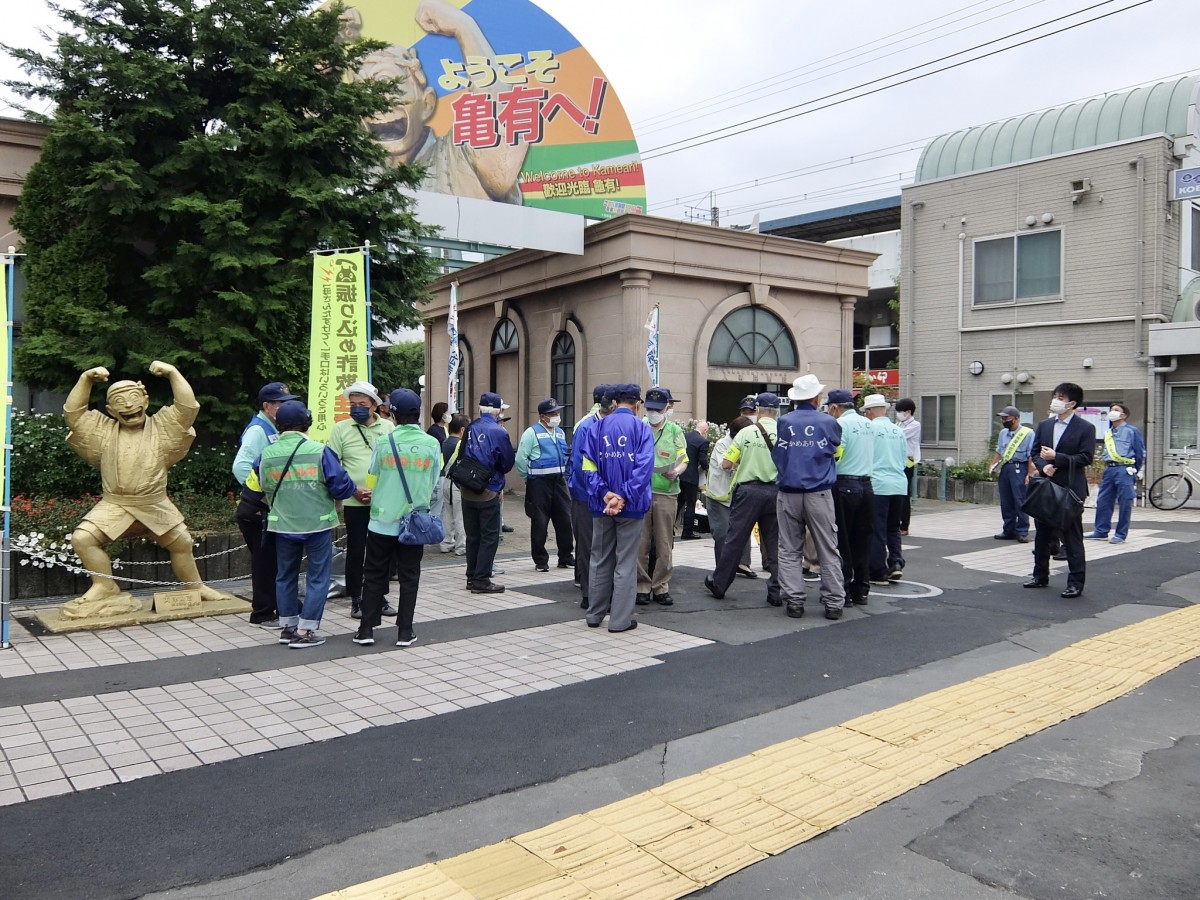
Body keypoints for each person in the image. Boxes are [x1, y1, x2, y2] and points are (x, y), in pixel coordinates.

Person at [59, 362, 230, 620]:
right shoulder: (103, 431)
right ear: (110, 410)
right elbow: (74, 415)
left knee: (182, 543)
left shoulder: (162, 427)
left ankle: (196, 587)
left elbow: (186, 409)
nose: (128, 405)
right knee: (83, 539)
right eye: (120, 401)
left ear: (145, 401)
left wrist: (172, 372)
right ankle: (105, 585)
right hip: (115, 503)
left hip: (154, 503)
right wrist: (85, 379)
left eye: (133, 398)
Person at [341, 0, 529, 203]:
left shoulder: (452, 159)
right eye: (363, 90)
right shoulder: (353, 169)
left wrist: (464, 27)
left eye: (388, 83)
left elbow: (497, 149)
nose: (376, 102)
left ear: (427, 104)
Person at [247, 400, 365, 647]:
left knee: (285, 576)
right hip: (317, 524)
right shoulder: (319, 451)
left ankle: (288, 627)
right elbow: (340, 486)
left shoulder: (265, 455)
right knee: (318, 578)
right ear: (307, 424)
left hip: (282, 525)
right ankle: (305, 631)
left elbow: (256, 486)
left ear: (278, 425)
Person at [353, 389, 442, 648]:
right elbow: (434, 479)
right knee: (409, 577)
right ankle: (405, 631)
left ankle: (366, 629)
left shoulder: (384, 442)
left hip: (382, 520)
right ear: (418, 414)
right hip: (415, 523)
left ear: (392, 413)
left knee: (374, 575)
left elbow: (372, 475)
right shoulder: (432, 444)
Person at [581, 384, 654, 633]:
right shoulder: (642, 429)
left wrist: (604, 494)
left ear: (614, 403)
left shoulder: (597, 427)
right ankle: (620, 621)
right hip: (631, 506)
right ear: (636, 404)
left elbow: (587, 467)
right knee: (625, 562)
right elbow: (643, 469)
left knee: (599, 559)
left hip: (600, 505)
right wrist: (622, 496)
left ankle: (594, 614)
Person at [772, 374, 845, 620]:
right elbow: (834, 450)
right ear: (816, 398)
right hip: (819, 492)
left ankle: (794, 600)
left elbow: (778, 455)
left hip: (789, 491)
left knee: (789, 548)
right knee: (827, 547)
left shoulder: (784, 421)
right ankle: (834, 602)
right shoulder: (828, 422)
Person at [705, 392, 782, 606]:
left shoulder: (746, 432)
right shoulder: (784, 433)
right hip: (776, 492)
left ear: (758, 410)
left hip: (748, 492)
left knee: (735, 538)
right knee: (774, 542)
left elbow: (727, 463)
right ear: (777, 411)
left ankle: (719, 583)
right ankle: (777, 590)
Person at [326, 381, 394, 619]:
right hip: (354, 502)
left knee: (382, 550)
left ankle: (380, 597)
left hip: (382, 501)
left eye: (362, 404)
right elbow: (333, 466)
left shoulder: (388, 428)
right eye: (352, 404)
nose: (356, 408)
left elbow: (394, 464)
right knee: (356, 551)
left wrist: (382, 492)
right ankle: (356, 599)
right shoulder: (341, 429)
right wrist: (353, 490)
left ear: (374, 405)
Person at [232, 381, 298, 627]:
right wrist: (259, 492)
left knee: (271, 557)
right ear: (267, 406)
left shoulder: (271, 427)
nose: (286, 407)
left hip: (263, 508)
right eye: (282, 403)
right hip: (256, 508)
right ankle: (262, 611)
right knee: (263, 560)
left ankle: (280, 605)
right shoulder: (258, 430)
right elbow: (240, 466)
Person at [1024, 382, 1095, 599]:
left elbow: (1086, 457)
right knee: (1043, 535)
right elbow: (1035, 452)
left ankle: (1075, 582)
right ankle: (1040, 575)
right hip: (1046, 486)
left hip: (1070, 489)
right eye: (1055, 396)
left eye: (1060, 397)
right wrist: (1042, 465)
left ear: (1072, 403)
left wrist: (1058, 458)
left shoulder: (1085, 428)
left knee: (1072, 537)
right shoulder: (1045, 425)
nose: (1056, 400)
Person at [457, 392, 516, 593]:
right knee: (489, 536)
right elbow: (507, 462)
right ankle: (482, 579)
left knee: (472, 536)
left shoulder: (471, 427)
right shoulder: (498, 432)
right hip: (489, 488)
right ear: (498, 410)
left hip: (467, 487)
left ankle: (471, 577)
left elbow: (462, 453)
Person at [636, 386, 687, 606]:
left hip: (666, 492)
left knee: (664, 543)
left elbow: (683, 458)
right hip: (641, 492)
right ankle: (642, 586)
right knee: (641, 543)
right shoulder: (639, 427)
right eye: (650, 409)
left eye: (658, 409)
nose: (653, 413)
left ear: (667, 407)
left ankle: (660, 586)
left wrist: (676, 471)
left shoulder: (675, 430)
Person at [827, 388, 875, 607]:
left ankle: (843, 591)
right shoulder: (868, 424)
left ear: (835, 407)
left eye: (829, 408)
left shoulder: (841, 425)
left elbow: (838, 454)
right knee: (862, 540)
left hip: (845, 485)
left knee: (843, 541)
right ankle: (861, 590)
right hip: (867, 485)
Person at [516, 398, 575, 572]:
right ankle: (541, 561)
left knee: (565, 519)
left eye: (557, 413)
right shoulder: (531, 433)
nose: (557, 416)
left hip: (559, 481)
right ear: (543, 417)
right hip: (539, 484)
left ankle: (565, 556)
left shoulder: (559, 432)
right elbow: (520, 459)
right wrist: (527, 478)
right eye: (552, 414)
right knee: (540, 522)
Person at [569, 385, 613, 609]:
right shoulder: (587, 427)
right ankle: (589, 594)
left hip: (605, 497)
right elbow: (579, 466)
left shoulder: (610, 426)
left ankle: (602, 591)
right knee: (587, 546)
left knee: (604, 546)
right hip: (586, 495)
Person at [862, 394, 908, 584]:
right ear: (885, 410)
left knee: (877, 528)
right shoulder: (898, 430)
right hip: (899, 483)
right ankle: (896, 562)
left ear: (869, 411)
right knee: (893, 527)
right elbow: (905, 457)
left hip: (879, 484)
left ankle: (878, 571)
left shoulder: (870, 429)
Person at [1086, 403, 1145, 544]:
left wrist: (1134, 469)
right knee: (1103, 500)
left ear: (1123, 415)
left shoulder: (1132, 431)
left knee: (1125, 502)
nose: (1112, 412)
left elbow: (1140, 452)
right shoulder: (1108, 432)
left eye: (1116, 410)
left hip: (1125, 468)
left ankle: (1120, 534)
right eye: (1111, 410)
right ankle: (1101, 531)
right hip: (1109, 468)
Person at [706, 417, 753, 574]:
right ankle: (722, 568)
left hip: (738, 493)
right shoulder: (722, 444)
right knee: (722, 533)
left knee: (743, 527)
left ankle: (743, 563)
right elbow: (726, 464)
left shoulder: (745, 443)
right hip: (718, 496)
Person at [990, 405, 1034, 543]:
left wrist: (1029, 474)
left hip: (1019, 467)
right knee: (1006, 500)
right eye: (1002, 418)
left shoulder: (1028, 433)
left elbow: (1031, 456)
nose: (1004, 420)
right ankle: (1008, 529)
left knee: (1020, 500)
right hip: (1006, 467)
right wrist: (993, 467)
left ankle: (1022, 531)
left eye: (1006, 418)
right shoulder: (1003, 433)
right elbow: (999, 451)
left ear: (1016, 419)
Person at [438, 413, 470, 556]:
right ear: (462, 429)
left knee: (448, 514)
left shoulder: (445, 442)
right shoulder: (460, 444)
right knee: (460, 516)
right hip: (457, 484)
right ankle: (461, 546)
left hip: (446, 481)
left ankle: (446, 542)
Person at [678, 422, 710, 540]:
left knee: (679, 502)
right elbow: (703, 460)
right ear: (705, 431)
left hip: (680, 473)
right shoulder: (703, 441)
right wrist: (708, 469)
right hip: (691, 477)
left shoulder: (685, 436)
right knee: (691, 504)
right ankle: (687, 532)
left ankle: (669, 528)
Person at [895, 398, 921, 535]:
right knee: (898, 493)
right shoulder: (899, 423)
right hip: (897, 461)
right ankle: (897, 522)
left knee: (905, 494)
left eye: (900, 411)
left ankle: (904, 525)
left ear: (908, 412)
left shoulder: (915, 425)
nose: (898, 414)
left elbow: (899, 436)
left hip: (908, 462)